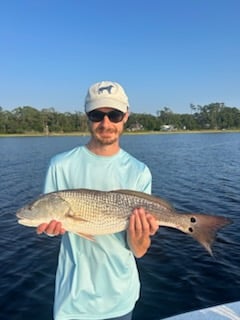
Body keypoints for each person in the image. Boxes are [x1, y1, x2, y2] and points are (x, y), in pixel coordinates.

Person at [37, 81, 159, 320]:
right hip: (73, 302)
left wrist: (141, 235)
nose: (106, 123)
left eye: (114, 115)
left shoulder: (139, 171)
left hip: (121, 299)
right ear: (87, 117)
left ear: (126, 116)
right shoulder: (60, 165)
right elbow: (52, 224)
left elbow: (139, 251)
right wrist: (52, 230)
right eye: (97, 115)